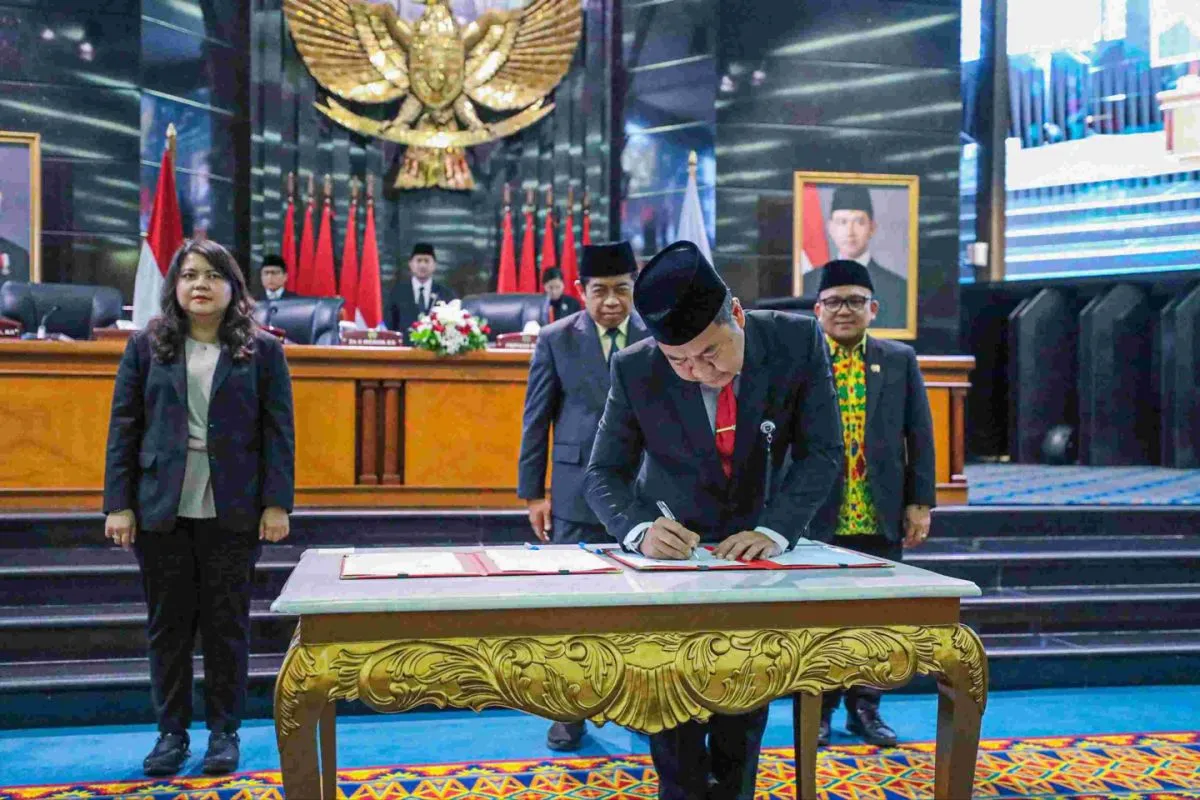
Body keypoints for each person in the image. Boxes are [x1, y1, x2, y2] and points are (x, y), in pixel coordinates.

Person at [584, 240, 843, 799]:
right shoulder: (635, 367)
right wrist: (639, 531)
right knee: (673, 718)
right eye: (679, 361)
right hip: (673, 556)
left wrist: (775, 529)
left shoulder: (796, 341)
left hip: (755, 552)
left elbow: (822, 452)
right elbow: (603, 473)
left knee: (742, 714)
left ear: (738, 316)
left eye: (710, 354)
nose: (698, 372)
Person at [103, 239, 295, 777]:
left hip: (233, 507)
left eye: (212, 275)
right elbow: (124, 428)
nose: (200, 285)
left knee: (226, 627)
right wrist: (118, 505)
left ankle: (223, 733)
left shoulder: (264, 351)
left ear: (233, 286)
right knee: (168, 627)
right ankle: (171, 734)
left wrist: (277, 504)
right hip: (160, 506)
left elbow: (279, 434)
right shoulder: (146, 347)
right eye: (189, 275)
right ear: (175, 286)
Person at [517, 241, 648, 752]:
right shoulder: (556, 339)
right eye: (600, 291)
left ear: (634, 288)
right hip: (574, 493)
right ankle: (569, 711)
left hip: (641, 492)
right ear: (580, 291)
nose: (611, 301)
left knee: (640, 605)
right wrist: (533, 494)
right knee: (571, 604)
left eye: (622, 290)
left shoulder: (657, 335)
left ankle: (639, 703)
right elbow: (537, 419)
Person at [810, 259, 936, 748]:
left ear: (874, 309)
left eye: (855, 301)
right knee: (820, 617)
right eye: (834, 302)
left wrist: (920, 502)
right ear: (818, 309)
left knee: (876, 618)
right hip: (816, 514)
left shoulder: (898, 359)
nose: (845, 310)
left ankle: (865, 708)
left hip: (877, 510)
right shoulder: (801, 358)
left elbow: (919, 434)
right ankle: (817, 710)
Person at [802, 186, 906, 330]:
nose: (850, 232)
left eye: (859, 222)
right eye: (842, 222)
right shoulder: (807, 282)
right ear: (831, 228)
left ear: (872, 228)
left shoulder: (897, 288)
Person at [385, 242, 457, 337]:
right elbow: (389, 326)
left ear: (434, 265)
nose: (422, 265)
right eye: (419, 261)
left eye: (427, 261)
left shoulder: (445, 294)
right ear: (410, 264)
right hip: (404, 345)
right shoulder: (398, 293)